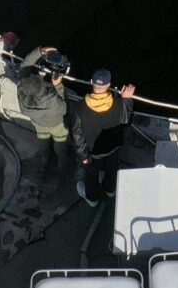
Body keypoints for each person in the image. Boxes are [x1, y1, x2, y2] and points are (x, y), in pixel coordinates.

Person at [68, 68, 136, 206]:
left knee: (91, 176)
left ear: (91, 82)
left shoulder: (78, 108)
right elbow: (127, 122)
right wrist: (127, 100)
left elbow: (77, 136)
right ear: (109, 85)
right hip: (113, 148)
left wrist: (84, 157)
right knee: (111, 169)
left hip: (93, 154)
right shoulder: (119, 104)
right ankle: (111, 190)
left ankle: (92, 199)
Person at [12, 41, 74, 174]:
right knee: (60, 142)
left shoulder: (22, 90)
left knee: (43, 139)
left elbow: (24, 67)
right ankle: (62, 164)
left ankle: (45, 161)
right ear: (42, 89)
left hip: (38, 123)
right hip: (57, 125)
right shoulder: (51, 100)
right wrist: (58, 85)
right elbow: (64, 107)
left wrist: (39, 52)